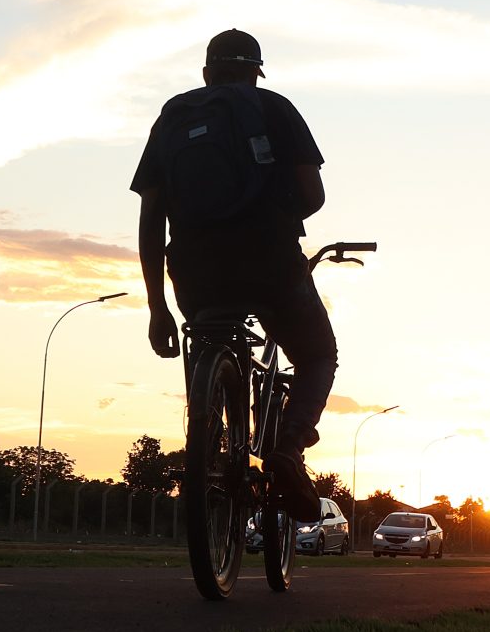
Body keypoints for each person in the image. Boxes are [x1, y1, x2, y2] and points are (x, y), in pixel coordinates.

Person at [131, 29, 336, 521]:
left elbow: (150, 219)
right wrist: (277, 219)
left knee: (208, 337)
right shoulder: (274, 107)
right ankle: (288, 449)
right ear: (255, 73)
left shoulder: (172, 116)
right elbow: (313, 195)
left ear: (207, 73)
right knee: (317, 355)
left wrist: (157, 307)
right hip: (270, 261)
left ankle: (209, 434)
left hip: (195, 272)